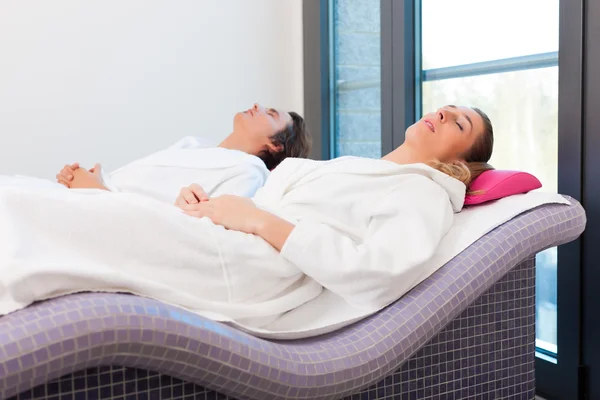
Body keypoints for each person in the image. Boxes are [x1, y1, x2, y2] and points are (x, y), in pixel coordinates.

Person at [0, 105, 493, 335]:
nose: (444, 114)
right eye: (446, 109)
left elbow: (378, 272)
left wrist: (256, 221)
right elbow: (258, 211)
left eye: (459, 123)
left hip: (259, 270)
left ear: (462, 156)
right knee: (29, 196)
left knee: (43, 212)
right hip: (237, 241)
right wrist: (202, 211)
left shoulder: (424, 194)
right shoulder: (360, 167)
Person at [55, 103, 312, 203]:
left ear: (276, 145)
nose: (258, 105)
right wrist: (85, 179)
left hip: (106, 208)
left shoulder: (249, 171)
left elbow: (191, 232)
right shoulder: (195, 145)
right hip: (93, 197)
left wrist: (98, 193)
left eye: (271, 114)